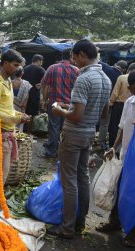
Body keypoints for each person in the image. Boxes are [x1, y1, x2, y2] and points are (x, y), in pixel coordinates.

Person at [48, 39, 111, 239]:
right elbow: (103, 112)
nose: (74, 62)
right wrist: (72, 106)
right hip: (89, 133)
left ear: (82, 55)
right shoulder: (105, 79)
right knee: (82, 177)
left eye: (75, 58)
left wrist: (59, 110)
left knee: (70, 182)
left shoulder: (84, 79)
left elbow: (76, 116)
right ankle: (79, 222)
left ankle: (66, 228)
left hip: (74, 133)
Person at [96, 72, 135, 247]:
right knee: (120, 189)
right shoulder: (129, 102)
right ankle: (115, 221)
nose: (129, 90)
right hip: (126, 155)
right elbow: (121, 127)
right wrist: (114, 147)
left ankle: (133, 232)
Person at [0, 50, 30, 185]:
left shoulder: (8, 80)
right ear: (5, 63)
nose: (18, 68)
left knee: (3, 173)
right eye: (15, 65)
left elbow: (7, 108)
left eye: (19, 66)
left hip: (8, 132)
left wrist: (19, 114)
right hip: (0, 133)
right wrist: (17, 119)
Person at [41, 48, 79, 158]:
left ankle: (51, 151)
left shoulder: (52, 68)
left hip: (54, 104)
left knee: (54, 127)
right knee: (67, 128)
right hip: (70, 105)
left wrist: (44, 101)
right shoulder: (76, 70)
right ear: (71, 57)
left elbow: (46, 86)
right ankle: (65, 152)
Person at [98, 60, 127, 149]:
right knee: (114, 124)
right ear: (124, 69)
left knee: (103, 123)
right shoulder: (121, 76)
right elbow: (115, 93)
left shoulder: (106, 68)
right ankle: (112, 144)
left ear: (115, 64)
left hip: (101, 99)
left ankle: (101, 142)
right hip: (113, 103)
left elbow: (98, 61)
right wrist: (111, 103)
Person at [107, 63, 135, 147]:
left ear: (127, 69)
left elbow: (115, 92)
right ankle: (118, 147)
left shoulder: (122, 77)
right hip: (128, 104)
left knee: (115, 127)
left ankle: (112, 146)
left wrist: (110, 103)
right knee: (126, 128)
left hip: (118, 105)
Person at [23, 54, 46, 133]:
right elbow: (47, 80)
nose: (41, 63)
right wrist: (41, 84)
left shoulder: (25, 68)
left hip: (24, 93)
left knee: (24, 112)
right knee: (32, 114)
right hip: (34, 94)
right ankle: (29, 133)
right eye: (41, 62)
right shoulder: (41, 70)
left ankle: (22, 131)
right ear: (39, 61)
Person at [12, 67, 32, 132]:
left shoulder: (10, 82)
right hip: (22, 107)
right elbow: (27, 97)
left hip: (12, 106)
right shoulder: (26, 84)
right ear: (22, 73)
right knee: (20, 125)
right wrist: (23, 106)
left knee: (12, 125)